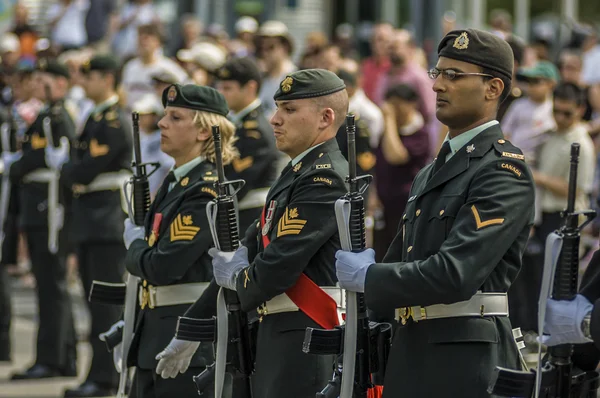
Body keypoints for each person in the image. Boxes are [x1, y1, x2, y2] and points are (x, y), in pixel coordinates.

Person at [335, 29, 536, 397]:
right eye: (437, 73)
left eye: (454, 76)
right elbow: (404, 255)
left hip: (464, 361)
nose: (438, 86)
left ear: (493, 88)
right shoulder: (434, 168)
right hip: (412, 352)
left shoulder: (502, 171)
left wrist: (371, 277)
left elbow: (456, 273)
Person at [156, 69, 350, 398]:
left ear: (325, 117)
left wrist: (237, 277)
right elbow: (249, 244)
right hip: (279, 332)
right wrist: (192, 327)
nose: (275, 120)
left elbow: (275, 267)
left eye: (289, 110)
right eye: (277, 108)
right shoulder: (295, 174)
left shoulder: (324, 178)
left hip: (305, 336)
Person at [120, 83, 238, 397]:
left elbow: (163, 265)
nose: (161, 123)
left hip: (186, 340)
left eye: (175, 117)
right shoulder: (178, 182)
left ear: (203, 132)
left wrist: (134, 245)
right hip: (155, 332)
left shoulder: (204, 190)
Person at [45, 55, 133, 397]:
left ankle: (106, 377)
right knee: (93, 302)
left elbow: (84, 170)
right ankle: (96, 373)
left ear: (108, 77)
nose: (85, 81)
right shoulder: (94, 116)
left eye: (91, 75)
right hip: (91, 218)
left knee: (106, 304)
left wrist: (66, 171)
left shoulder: (113, 120)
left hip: (107, 219)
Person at [8, 58, 77, 380]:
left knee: (52, 286)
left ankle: (53, 358)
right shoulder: (47, 116)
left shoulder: (57, 117)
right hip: (39, 208)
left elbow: (46, 160)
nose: (37, 84)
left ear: (60, 83)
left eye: (44, 79)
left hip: (48, 210)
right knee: (50, 286)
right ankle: (62, 356)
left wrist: (17, 165)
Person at [215, 57, 279, 231]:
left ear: (250, 87)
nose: (221, 93)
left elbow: (236, 182)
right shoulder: (235, 123)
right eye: (220, 87)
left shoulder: (256, 131)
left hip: (249, 218)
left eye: (228, 88)